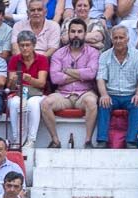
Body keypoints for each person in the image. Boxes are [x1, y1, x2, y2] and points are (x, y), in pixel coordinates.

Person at [41, 18, 99, 149]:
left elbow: (91, 74)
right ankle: (55, 140)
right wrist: (80, 75)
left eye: (79, 31)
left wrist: (66, 70)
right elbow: (55, 78)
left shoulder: (93, 52)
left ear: (85, 33)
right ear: (68, 34)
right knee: (45, 103)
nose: (76, 34)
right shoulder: (58, 53)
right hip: (63, 94)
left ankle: (88, 141)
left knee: (91, 102)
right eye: (73, 31)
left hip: (84, 93)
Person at [94, 26, 138, 149]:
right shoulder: (104, 56)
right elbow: (100, 78)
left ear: (127, 39)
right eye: (115, 38)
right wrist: (104, 94)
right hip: (111, 94)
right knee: (103, 103)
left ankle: (131, 141)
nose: (118, 41)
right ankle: (102, 140)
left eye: (121, 37)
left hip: (130, 94)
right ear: (112, 39)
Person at [6, 30, 48, 148]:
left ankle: (31, 140)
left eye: (27, 45)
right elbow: (10, 87)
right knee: (14, 103)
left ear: (34, 45)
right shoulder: (14, 59)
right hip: (19, 93)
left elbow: (41, 83)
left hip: (37, 93)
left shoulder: (42, 59)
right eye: (22, 45)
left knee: (32, 103)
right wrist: (13, 80)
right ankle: (17, 139)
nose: (24, 48)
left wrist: (29, 80)